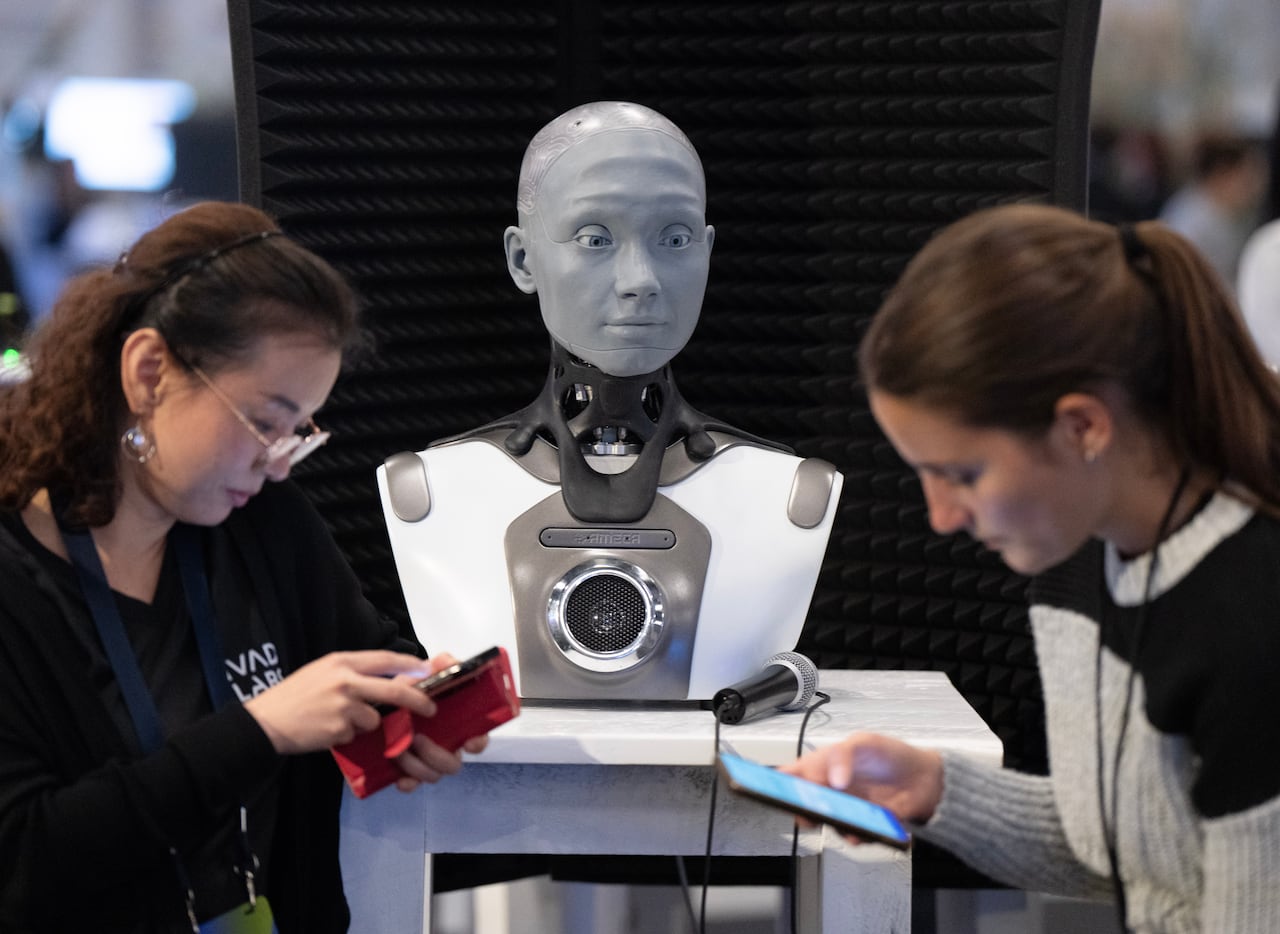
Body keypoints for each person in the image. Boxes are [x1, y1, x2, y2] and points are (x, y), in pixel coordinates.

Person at [781, 203, 1280, 932]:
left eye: (964, 473)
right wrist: (936, 790)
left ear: (1082, 427)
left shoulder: (1251, 621)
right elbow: (1142, 844)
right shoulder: (1076, 557)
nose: (942, 517)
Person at [0, 201, 491, 932]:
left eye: (298, 432)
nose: (276, 462)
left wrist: (408, 714)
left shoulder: (263, 525)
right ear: (148, 373)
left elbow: (367, 662)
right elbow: (22, 863)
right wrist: (261, 729)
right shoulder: (16, 578)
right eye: (264, 422)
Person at [377, 101, 841, 701]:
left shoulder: (793, 494)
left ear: (707, 251)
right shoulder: (426, 490)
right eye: (595, 238)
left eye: (673, 238)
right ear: (523, 260)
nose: (640, 278)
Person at [1158, 132, 1266, 290]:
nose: (1254, 187)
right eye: (1246, 178)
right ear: (1222, 174)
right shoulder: (1190, 221)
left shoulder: (1233, 213)